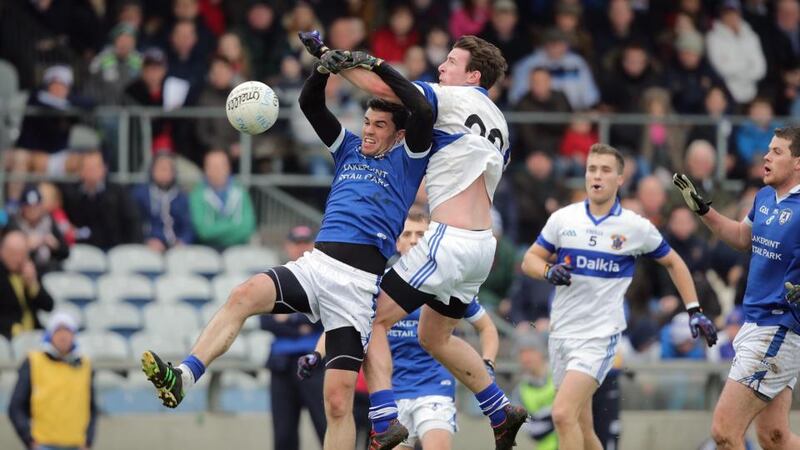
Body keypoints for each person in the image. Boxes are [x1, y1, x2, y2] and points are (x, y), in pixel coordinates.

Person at [140, 45, 434, 450]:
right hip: (316, 265)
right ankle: (185, 376)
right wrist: (322, 70)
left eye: (379, 125)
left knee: (336, 403)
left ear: (398, 133)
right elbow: (310, 103)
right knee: (243, 295)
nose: (367, 130)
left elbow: (422, 107)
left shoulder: (409, 159)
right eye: (366, 122)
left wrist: (373, 64)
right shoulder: (348, 147)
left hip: (357, 288)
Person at [300, 32, 528, 449]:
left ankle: (384, 418)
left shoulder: (455, 98)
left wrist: (332, 60)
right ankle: (500, 409)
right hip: (482, 248)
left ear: (473, 75)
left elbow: (385, 89)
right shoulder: (499, 121)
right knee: (434, 338)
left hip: (449, 239)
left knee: (368, 318)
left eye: (451, 64)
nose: (442, 69)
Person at [520, 143, 718, 450]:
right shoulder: (563, 219)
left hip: (600, 336)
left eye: (605, 170)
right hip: (562, 334)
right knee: (584, 429)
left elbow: (674, 262)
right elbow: (529, 259)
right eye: (592, 169)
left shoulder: (634, 227)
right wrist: (547, 271)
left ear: (620, 179)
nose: (596, 176)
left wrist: (694, 309)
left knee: (562, 414)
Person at [298, 209, 500, 450]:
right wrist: (317, 354)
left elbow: (487, 328)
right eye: (407, 234)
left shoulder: (443, 283)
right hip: (392, 394)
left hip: (434, 387)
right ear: (397, 242)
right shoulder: (377, 286)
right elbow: (345, 325)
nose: (414, 240)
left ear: (431, 241)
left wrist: (487, 362)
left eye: (421, 235)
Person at [673, 125, 800, 449]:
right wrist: (704, 210)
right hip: (756, 322)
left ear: (798, 163)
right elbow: (743, 238)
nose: (766, 156)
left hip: (778, 328)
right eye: (768, 149)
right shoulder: (765, 197)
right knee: (774, 437)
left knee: (724, 431)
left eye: (776, 151)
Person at [260, 225, 326, 450]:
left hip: (314, 363)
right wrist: (301, 323)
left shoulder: (323, 278)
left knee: (326, 427)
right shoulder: (276, 277)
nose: (301, 248)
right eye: (297, 243)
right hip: (281, 366)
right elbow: (265, 321)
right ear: (288, 246)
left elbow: (324, 319)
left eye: (306, 242)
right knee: (283, 435)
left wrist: (287, 320)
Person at [8, 312, 97, 450]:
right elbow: (16, 406)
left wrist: (88, 440)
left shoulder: (85, 364)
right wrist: (29, 439)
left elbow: (91, 407)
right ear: (50, 334)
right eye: (58, 330)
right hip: (43, 444)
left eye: (67, 330)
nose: (63, 335)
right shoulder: (33, 361)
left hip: (76, 444)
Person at [61, 151, 142, 250]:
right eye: (88, 167)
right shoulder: (71, 194)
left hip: (115, 248)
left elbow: (132, 222)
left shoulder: (118, 193)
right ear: (81, 171)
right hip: (81, 249)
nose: (92, 171)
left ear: (104, 169)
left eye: (95, 167)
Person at [188, 150, 256, 250]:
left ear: (229, 168)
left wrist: (216, 229)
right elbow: (204, 232)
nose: (217, 170)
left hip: (239, 249)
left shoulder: (241, 192)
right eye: (213, 166)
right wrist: (233, 226)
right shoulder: (197, 194)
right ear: (205, 169)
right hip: (207, 250)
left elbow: (247, 228)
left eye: (221, 166)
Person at [130, 152, 193, 252]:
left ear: (173, 172)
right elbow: (134, 224)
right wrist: (146, 240)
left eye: (167, 169)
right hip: (149, 246)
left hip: (176, 248)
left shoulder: (181, 197)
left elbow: (188, 226)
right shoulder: (140, 194)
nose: (164, 172)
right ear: (152, 170)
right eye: (160, 168)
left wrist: (183, 241)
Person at [0, 230, 55, 340]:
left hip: (33, 334)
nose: (19, 259)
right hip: (6, 335)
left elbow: (49, 306)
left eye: (23, 254)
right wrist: (11, 327)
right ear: (2, 252)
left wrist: (33, 285)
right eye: (14, 254)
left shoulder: (29, 271)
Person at [512, 331, 557, 450]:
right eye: (522, 353)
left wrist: (541, 418)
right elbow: (534, 432)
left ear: (541, 352)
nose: (526, 358)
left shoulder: (560, 375)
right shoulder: (519, 392)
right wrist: (555, 415)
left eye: (530, 351)